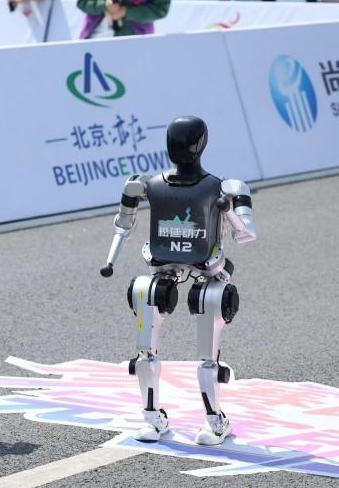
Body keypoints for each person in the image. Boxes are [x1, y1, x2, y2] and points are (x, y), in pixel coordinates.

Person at [99, 116, 257, 445]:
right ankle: (154, 418)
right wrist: (110, 259)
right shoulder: (151, 185)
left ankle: (214, 421)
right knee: (146, 341)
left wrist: (227, 209)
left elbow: (245, 234)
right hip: (164, 265)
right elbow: (123, 226)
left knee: (206, 329)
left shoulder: (223, 188)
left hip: (205, 266)